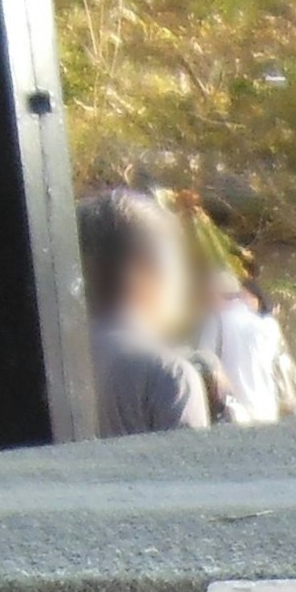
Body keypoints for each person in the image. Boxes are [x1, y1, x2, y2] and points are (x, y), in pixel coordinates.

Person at [76, 187, 209, 436]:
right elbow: (193, 472)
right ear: (146, 267)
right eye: (179, 265)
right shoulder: (167, 374)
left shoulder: (51, 363)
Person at [198, 263, 296, 424]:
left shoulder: (215, 322)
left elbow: (205, 364)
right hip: (267, 411)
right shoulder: (268, 325)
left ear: (215, 294)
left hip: (235, 415)